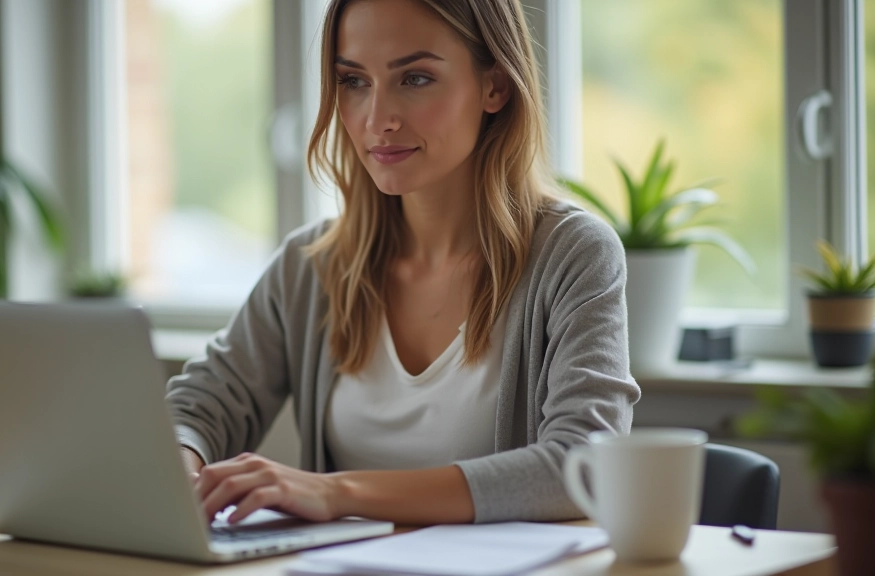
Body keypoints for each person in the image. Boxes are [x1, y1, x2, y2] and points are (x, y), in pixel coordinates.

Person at [166, 0, 640, 526]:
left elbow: (587, 464)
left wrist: (338, 493)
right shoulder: (311, 267)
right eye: (353, 81)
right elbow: (197, 408)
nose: (378, 120)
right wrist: (179, 472)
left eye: (414, 78)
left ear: (495, 87)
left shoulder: (573, 254)